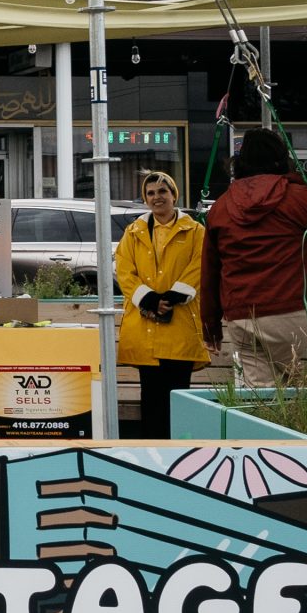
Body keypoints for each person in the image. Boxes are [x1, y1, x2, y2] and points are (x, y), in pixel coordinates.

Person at [201, 127, 307, 388]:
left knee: (261, 408)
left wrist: (210, 326)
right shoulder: (297, 197)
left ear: (240, 162)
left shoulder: (221, 206)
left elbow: (210, 271)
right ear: (282, 158)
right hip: (291, 310)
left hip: (241, 318)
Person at [116, 172, 207, 437]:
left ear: (174, 195)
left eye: (162, 192)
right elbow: (124, 270)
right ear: (145, 199)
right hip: (146, 330)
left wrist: (172, 297)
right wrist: (150, 299)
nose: (157, 197)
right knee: (151, 401)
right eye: (151, 193)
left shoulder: (196, 231)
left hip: (179, 328)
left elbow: (200, 265)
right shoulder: (132, 232)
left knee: (177, 399)